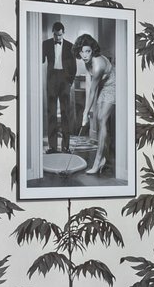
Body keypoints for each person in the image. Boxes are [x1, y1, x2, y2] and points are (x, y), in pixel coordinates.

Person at [82, 38, 118, 178]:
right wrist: (88, 111)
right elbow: (91, 88)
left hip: (114, 84)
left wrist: (85, 113)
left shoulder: (97, 65)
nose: (85, 55)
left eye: (88, 51)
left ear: (92, 51)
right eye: (82, 51)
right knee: (98, 118)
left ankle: (97, 162)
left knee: (102, 119)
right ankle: (105, 158)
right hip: (104, 86)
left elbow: (92, 90)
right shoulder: (87, 62)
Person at [40, 19, 75, 153]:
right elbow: (40, 59)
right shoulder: (46, 44)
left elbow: (73, 67)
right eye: (55, 35)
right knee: (51, 113)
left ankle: (66, 146)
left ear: (63, 33)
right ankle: (52, 147)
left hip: (65, 80)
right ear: (52, 33)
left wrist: (70, 82)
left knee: (66, 113)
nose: (57, 37)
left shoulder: (70, 46)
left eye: (60, 35)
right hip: (52, 79)